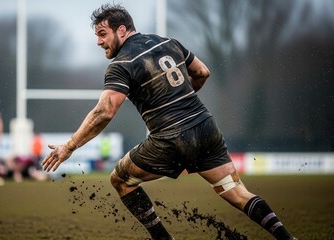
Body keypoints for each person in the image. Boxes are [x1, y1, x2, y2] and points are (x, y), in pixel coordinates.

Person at [42, 4, 297, 240]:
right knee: (237, 192)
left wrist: (70, 146)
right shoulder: (168, 42)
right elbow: (202, 72)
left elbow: (104, 112)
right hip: (206, 128)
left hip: (171, 138)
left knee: (120, 180)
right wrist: (178, 97)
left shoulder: (122, 64)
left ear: (122, 30)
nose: (98, 41)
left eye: (102, 33)